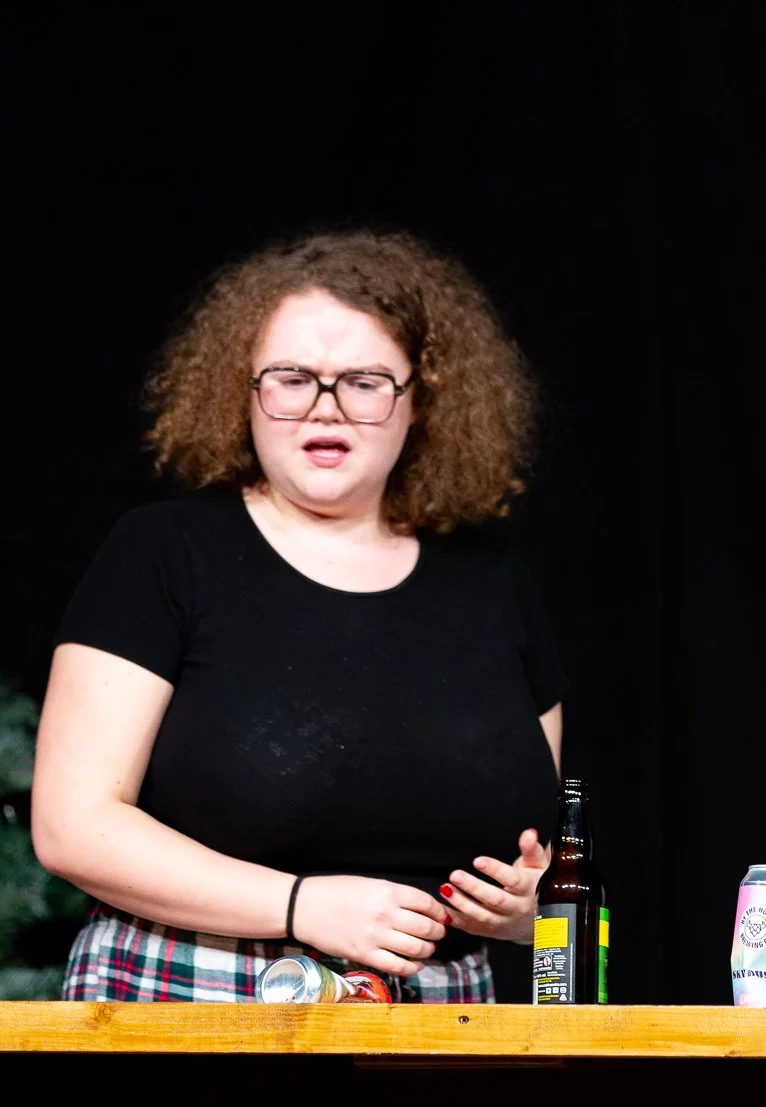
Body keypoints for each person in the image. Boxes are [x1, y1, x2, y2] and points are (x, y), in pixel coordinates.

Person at [32, 230, 566, 1002]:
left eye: (364, 381)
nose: (326, 408)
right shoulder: (164, 553)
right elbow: (72, 825)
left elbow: (542, 858)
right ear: (245, 391)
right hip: (191, 996)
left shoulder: (493, 582)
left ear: (419, 400)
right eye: (292, 379)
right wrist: (300, 904)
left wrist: (528, 912)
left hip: (442, 1013)